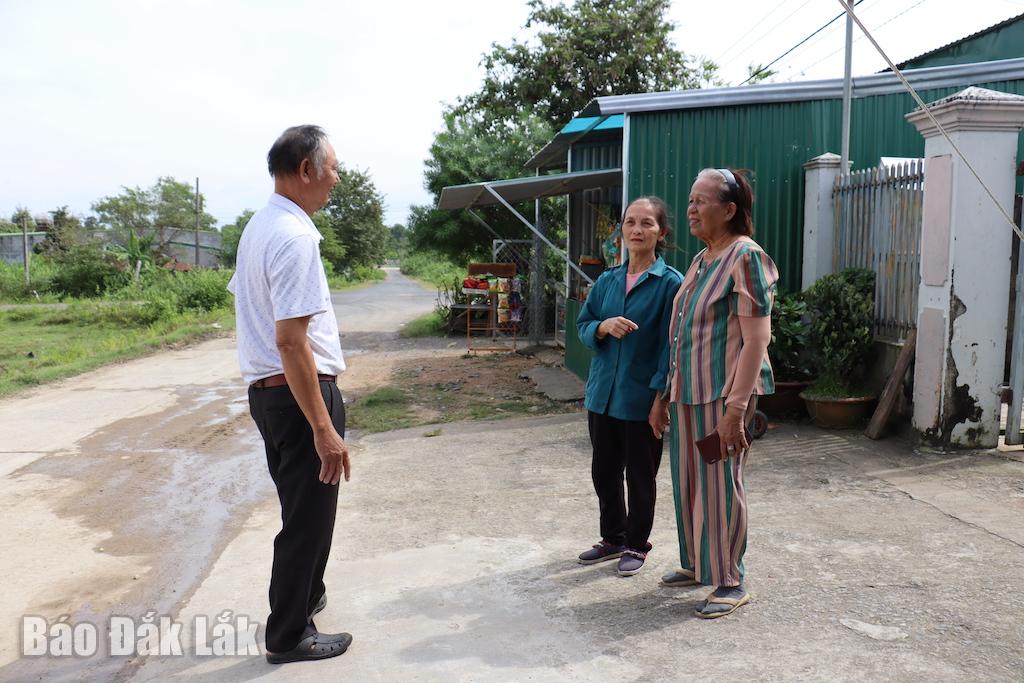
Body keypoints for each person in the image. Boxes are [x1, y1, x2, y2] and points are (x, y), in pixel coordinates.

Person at [228, 125, 353, 663]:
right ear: (306, 170)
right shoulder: (295, 237)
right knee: (307, 519)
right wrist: (323, 427)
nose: (336, 178)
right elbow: (290, 340)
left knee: (304, 508)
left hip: (271, 397)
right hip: (301, 397)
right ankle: (288, 634)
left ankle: (307, 595)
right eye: (333, 168)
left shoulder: (260, 227)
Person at [651, 168, 778, 619]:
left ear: (729, 210)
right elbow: (682, 332)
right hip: (688, 392)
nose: (691, 209)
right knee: (688, 482)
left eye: (701, 201)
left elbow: (756, 339)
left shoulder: (746, 257)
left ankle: (730, 579)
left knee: (720, 485)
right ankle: (698, 564)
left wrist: (736, 410)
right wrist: (664, 395)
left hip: (722, 395)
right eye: (690, 200)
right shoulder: (703, 258)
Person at [576, 197, 683, 577]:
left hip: (641, 399)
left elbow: (671, 347)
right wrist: (602, 327)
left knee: (640, 476)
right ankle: (613, 537)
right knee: (604, 472)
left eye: (646, 223)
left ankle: (636, 544)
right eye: (630, 222)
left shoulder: (670, 284)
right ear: (621, 230)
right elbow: (583, 325)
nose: (637, 230)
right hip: (602, 395)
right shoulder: (607, 280)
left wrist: (660, 399)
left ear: (661, 232)